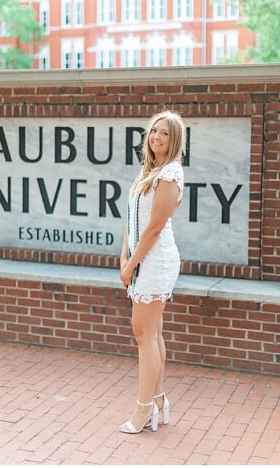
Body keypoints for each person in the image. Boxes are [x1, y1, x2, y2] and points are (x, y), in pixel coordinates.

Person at [117, 110, 186, 434]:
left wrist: (132, 265)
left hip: (156, 262)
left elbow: (155, 227)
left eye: (165, 133)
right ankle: (158, 401)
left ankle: (143, 410)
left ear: (175, 140)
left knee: (143, 335)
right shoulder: (150, 171)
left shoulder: (170, 174)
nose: (157, 137)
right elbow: (132, 222)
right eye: (154, 131)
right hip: (140, 259)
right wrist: (124, 257)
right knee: (152, 333)